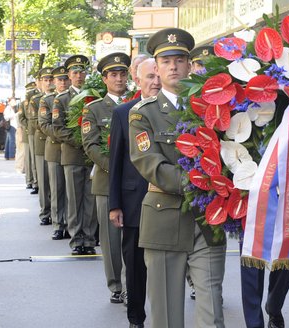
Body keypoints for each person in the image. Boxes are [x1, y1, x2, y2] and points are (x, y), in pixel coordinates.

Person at [128, 28, 226, 328]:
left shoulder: (215, 108)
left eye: (180, 60)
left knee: (213, 314)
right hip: (165, 220)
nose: (173, 66)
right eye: (166, 60)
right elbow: (152, 166)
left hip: (208, 222)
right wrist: (206, 182)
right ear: (156, 68)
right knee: (167, 315)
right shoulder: (143, 114)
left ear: (190, 65)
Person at [109, 57, 160, 328]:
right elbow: (116, 162)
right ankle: (136, 318)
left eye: (158, 75)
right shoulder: (123, 113)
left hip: (167, 201)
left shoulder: (174, 111)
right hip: (134, 201)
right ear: (138, 81)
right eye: (149, 76)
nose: (156, 81)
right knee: (135, 264)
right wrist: (114, 204)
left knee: (164, 264)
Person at [82, 52, 131, 304]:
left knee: (134, 234)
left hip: (135, 180)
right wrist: (116, 167)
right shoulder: (94, 109)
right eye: (114, 75)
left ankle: (134, 280)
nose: (119, 78)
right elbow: (91, 146)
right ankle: (116, 285)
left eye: (123, 74)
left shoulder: (139, 103)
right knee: (111, 238)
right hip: (106, 180)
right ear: (105, 79)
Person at [52, 54, 97, 256]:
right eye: (75, 73)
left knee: (90, 198)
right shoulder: (61, 99)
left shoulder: (94, 96)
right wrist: (81, 141)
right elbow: (58, 128)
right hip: (72, 154)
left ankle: (88, 238)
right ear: (69, 76)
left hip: (91, 156)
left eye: (82, 72)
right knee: (74, 198)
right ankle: (76, 238)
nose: (79, 76)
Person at [39, 66, 71, 240]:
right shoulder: (48, 100)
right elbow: (44, 125)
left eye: (66, 79)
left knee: (72, 190)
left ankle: (72, 224)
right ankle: (59, 224)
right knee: (57, 188)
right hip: (56, 148)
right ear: (54, 81)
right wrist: (62, 136)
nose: (63, 82)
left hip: (72, 150)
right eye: (60, 79)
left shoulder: (75, 98)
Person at [28, 67, 54, 225]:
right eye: (46, 80)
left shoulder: (60, 97)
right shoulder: (36, 100)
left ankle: (57, 213)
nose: (49, 82)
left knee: (56, 183)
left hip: (56, 144)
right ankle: (45, 212)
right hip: (42, 142)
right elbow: (35, 122)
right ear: (40, 82)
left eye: (51, 79)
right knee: (44, 180)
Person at [22, 77, 41, 194]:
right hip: (31, 130)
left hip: (38, 130)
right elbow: (23, 116)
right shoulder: (30, 96)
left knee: (36, 158)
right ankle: (34, 181)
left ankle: (36, 181)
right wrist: (28, 127)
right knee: (32, 159)